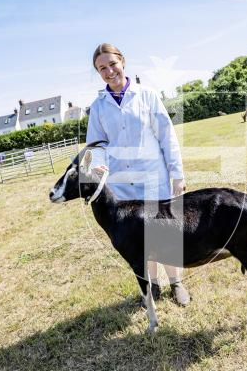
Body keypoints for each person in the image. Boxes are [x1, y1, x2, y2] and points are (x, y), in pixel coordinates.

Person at [86, 43, 191, 306]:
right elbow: (96, 144)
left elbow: (167, 136)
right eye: (102, 68)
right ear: (98, 72)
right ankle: (152, 286)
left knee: (164, 233)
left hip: (153, 176)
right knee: (140, 238)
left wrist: (177, 174)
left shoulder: (147, 95)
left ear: (123, 61)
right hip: (121, 183)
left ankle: (177, 283)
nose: (109, 71)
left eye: (113, 64)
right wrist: (97, 165)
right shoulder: (98, 106)